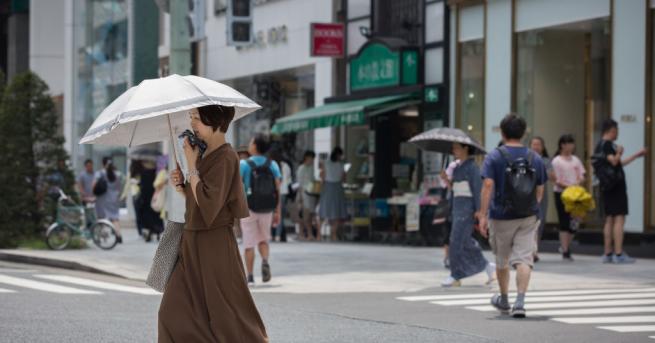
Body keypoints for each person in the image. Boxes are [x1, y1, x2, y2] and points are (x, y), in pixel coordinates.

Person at [159, 105, 268, 342]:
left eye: (197, 118)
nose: (193, 124)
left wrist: (191, 166)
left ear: (214, 121)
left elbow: (210, 204)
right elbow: (201, 198)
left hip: (214, 244)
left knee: (228, 315)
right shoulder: (205, 153)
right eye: (191, 118)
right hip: (191, 241)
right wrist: (183, 187)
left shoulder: (227, 156)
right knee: (172, 311)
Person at [479, 113, 546, 318]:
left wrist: (482, 215)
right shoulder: (535, 157)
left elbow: (488, 186)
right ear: (524, 133)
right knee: (524, 259)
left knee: (502, 259)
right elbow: (540, 189)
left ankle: (504, 299)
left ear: (502, 131)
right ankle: (520, 302)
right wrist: (531, 207)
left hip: (501, 216)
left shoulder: (494, 156)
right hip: (528, 216)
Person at [440, 143, 496, 287]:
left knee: (456, 240)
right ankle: (486, 266)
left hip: (467, 208)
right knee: (464, 241)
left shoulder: (472, 168)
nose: (454, 150)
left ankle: (455, 274)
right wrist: (446, 180)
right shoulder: (458, 167)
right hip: (458, 206)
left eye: (456, 147)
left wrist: (479, 210)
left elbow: (478, 189)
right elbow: (455, 189)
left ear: (465, 149)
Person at [595, 119, 647, 264]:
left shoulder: (600, 145)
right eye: (616, 130)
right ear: (611, 130)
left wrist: (636, 155)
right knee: (619, 218)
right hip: (615, 187)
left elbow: (619, 164)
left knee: (610, 219)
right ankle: (618, 253)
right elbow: (615, 161)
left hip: (607, 186)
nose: (617, 133)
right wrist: (618, 152)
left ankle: (608, 253)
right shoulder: (606, 145)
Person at [239, 134, 282, 285]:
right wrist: (278, 211)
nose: (249, 144)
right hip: (268, 207)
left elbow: (238, 188)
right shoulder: (273, 164)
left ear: (255, 146)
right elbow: (277, 189)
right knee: (263, 239)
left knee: (249, 243)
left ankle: (250, 276)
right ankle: (265, 261)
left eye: (251, 142)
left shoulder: (244, 164)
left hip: (248, 208)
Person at [551, 134, 586, 261]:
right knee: (564, 221)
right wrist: (568, 186)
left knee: (577, 219)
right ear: (562, 145)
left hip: (576, 192)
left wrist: (579, 181)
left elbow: (582, 174)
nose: (572, 146)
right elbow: (556, 179)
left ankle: (565, 245)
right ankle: (565, 250)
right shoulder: (556, 161)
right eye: (569, 143)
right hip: (561, 193)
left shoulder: (576, 160)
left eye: (572, 143)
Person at [529, 136, 555, 262]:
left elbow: (553, 177)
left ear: (543, 147)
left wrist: (542, 168)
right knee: (529, 223)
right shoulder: (526, 159)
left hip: (542, 195)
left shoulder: (546, 161)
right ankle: (529, 250)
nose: (536, 147)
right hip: (528, 194)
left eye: (538, 144)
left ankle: (535, 250)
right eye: (534, 144)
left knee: (540, 222)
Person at [319, 147, 348, 241]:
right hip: (337, 187)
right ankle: (333, 234)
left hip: (327, 187)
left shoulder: (325, 163)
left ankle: (318, 234)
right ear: (338, 155)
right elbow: (344, 178)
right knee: (336, 211)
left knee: (324, 210)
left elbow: (322, 176)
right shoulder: (341, 165)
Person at [93, 157, 124, 243]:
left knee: (101, 218)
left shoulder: (100, 173)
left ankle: (100, 236)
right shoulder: (117, 174)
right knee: (115, 218)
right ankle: (118, 235)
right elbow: (119, 187)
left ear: (103, 164)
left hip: (103, 198)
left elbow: (94, 186)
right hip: (114, 198)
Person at [439, 159, 461, 269]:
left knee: (452, 232)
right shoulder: (454, 165)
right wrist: (445, 179)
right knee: (447, 231)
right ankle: (448, 257)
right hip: (449, 205)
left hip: (456, 206)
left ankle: (451, 257)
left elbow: (453, 188)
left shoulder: (457, 165)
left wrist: (446, 179)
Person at [270, 148, 292, 243]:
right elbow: (288, 180)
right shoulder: (285, 166)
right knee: (281, 215)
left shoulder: (271, 164)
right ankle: (278, 235)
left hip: (272, 193)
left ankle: (271, 234)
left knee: (271, 214)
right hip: (283, 193)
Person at [138, 160, 164, 242]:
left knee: (147, 215)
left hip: (146, 198)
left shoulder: (142, 171)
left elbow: (142, 186)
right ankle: (157, 232)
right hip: (153, 197)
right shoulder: (156, 171)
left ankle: (149, 233)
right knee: (155, 215)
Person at [297, 150, 318, 240]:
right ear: (306, 158)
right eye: (311, 158)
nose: (312, 160)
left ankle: (303, 233)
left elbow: (312, 180)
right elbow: (300, 183)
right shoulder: (301, 168)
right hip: (304, 194)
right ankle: (308, 234)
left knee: (308, 214)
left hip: (311, 193)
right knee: (305, 215)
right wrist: (300, 198)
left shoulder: (312, 168)